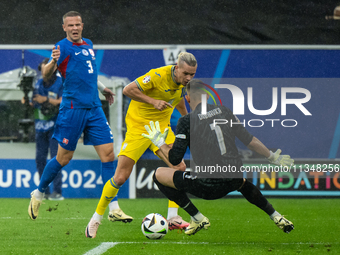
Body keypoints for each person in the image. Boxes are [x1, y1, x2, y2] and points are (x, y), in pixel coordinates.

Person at [142, 79, 295, 236]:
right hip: (233, 176)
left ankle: (197, 217)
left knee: (158, 174)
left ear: (187, 98)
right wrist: (272, 157)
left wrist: (160, 143)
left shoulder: (186, 121)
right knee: (242, 183)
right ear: (207, 96)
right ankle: (276, 216)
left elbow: (174, 160)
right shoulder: (225, 111)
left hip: (208, 186)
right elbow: (249, 140)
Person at [85, 52, 197, 238]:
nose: (189, 78)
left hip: (161, 129)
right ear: (176, 68)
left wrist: (188, 121)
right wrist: (153, 102)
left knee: (179, 166)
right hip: (139, 128)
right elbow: (127, 90)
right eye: (186, 73)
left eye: (192, 74)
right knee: (120, 177)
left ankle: (173, 217)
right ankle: (96, 219)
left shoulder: (183, 85)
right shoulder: (157, 75)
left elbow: (178, 103)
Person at [28, 11, 119, 221]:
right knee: (63, 158)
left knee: (108, 155)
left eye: (78, 24)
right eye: (71, 25)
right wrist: (52, 61)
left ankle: (113, 208)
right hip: (72, 108)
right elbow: (47, 74)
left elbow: (89, 73)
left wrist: (103, 88)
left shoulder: (88, 44)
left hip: (94, 107)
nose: (75, 28)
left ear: (82, 25)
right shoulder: (61, 47)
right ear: (64, 28)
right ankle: (39, 191)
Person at [33, 58, 63, 200]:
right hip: (40, 127)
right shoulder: (38, 83)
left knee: (56, 159)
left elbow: (65, 101)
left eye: (46, 70)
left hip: (55, 126)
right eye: (42, 70)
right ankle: (43, 191)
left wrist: (46, 100)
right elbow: (34, 102)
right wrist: (28, 102)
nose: (43, 73)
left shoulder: (60, 82)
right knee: (40, 159)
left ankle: (57, 191)